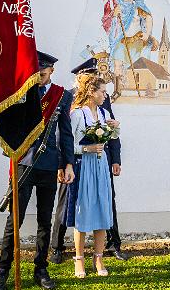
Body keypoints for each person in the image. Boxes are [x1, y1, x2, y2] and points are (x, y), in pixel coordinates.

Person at [0, 51, 75, 290]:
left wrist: (67, 163)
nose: (39, 76)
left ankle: (41, 269)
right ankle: (3, 270)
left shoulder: (62, 96)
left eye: (43, 72)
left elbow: (66, 133)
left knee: (44, 221)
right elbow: (5, 122)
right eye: (36, 72)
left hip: (48, 165)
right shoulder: (21, 91)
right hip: (24, 164)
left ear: (51, 71)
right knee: (13, 221)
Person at [50, 58, 129, 264]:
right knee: (67, 203)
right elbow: (64, 136)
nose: (93, 78)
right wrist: (63, 163)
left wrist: (116, 158)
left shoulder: (103, 102)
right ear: (81, 78)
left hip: (102, 161)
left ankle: (112, 244)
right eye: (89, 75)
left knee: (106, 202)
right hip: (76, 162)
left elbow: (109, 131)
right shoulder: (67, 97)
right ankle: (57, 247)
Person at [66, 75, 118, 278]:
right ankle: (79, 259)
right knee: (84, 210)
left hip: (101, 166)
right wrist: (87, 148)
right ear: (90, 92)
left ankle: (98, 257)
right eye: (102, 92)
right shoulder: (78, 114)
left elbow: (111, 138)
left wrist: (114, 128)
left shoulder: (104, 113)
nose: (105, 95)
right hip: (85, 167)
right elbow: (69, 145)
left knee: (102, 209)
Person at [108, 0, 158, 101]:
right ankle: (117, 90)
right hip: (122, 39)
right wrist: (114, 14)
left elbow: (148, 17)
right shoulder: (116, 2)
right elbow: (106, 20)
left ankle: (141, 87)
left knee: (140, 64)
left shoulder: (138, 2)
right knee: (117, 62)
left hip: (137, 39)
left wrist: (147, 34)